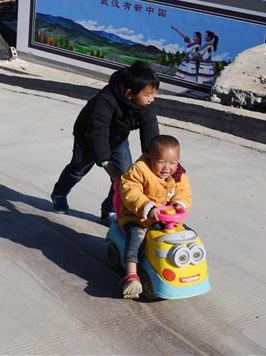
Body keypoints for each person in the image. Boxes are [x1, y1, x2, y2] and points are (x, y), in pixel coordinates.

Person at [50, 61, 160, 223]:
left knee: (124, 177)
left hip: (117, 139)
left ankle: (109, 210)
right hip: (88, 137)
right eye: (148, 95)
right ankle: (59, 193)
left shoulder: (144, 103)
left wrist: (153, 156)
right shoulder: (105, 101)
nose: (152, 99)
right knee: (78, 169)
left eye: (154, 93)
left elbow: (149, 126)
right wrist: (106, 162)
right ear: (130, 93)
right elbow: (97, 133)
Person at [117, 134, 191, 299]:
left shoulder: (178, 173)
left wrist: (179, 203)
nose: (167, 167)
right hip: (138, 216)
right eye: (161, 162)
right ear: (149, 156)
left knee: (186, 236)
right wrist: (147, 207)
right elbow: (130, 191)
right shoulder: (139, 170)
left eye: (173, 162)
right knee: (136, 237)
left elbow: (183, 191)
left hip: (165, 218)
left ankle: (183, 265)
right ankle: (131, 275)